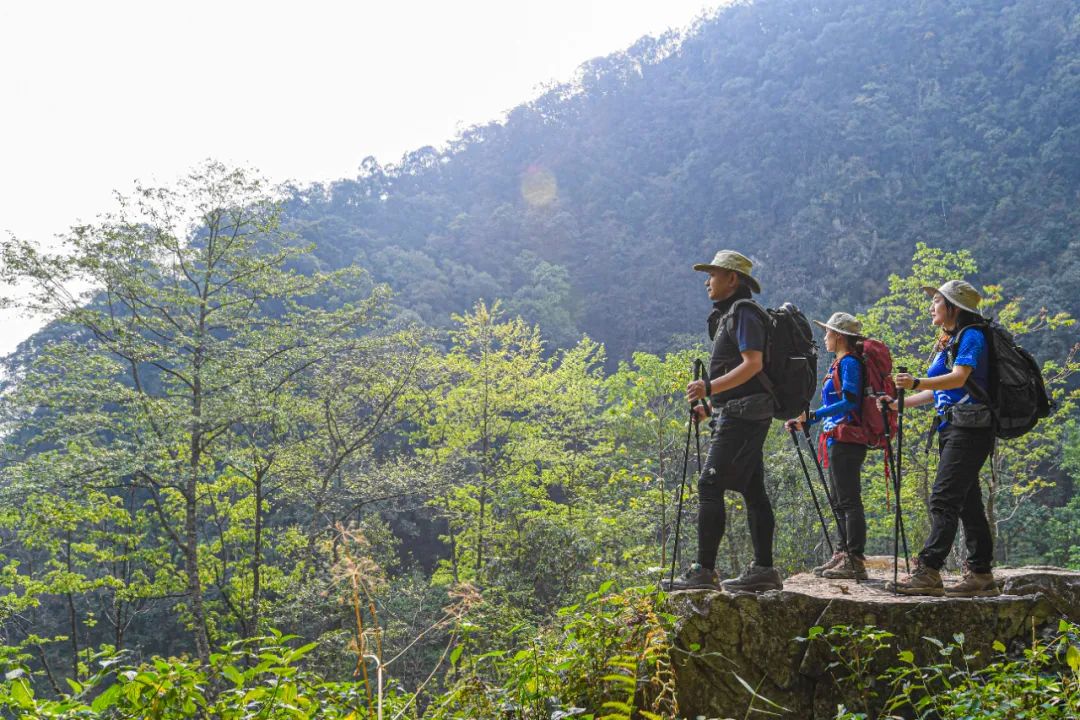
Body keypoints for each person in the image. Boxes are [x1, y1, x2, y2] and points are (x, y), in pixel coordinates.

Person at [666, 250, 782, 593]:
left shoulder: (744, 313)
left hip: (744, 415)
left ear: (733, 279)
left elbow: (753, 364)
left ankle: (704, 571)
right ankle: (764, 570)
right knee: (753, 489)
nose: (707, 281)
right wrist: (711, 407)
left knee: (709, 485)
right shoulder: (731, 315)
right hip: (738, 411)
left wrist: (709, 387)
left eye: (714, 275)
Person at [886, 280, 1000, 597]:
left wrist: (915, 381)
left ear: (953, 307)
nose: (931, 306)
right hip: (953, 428)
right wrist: (898, 404)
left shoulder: (972, 336)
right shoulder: (948, 340)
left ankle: (930, 570)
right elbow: (935, 389)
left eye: (937, 301)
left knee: (944, 498)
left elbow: (959, 377)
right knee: (967, 502)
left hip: (971, 429)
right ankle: (981, 573)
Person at [787, 312, 868, 580]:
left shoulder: (850, 364)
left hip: (847, 439)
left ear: (840, 336)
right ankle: (843, 552)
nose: (825, 337)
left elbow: (850, 402)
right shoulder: (839, 363)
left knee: (848, 499)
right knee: (838, 499)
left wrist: (813, 416)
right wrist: (809, 419)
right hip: (836, 437)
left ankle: (855, 558)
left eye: (828, 333)